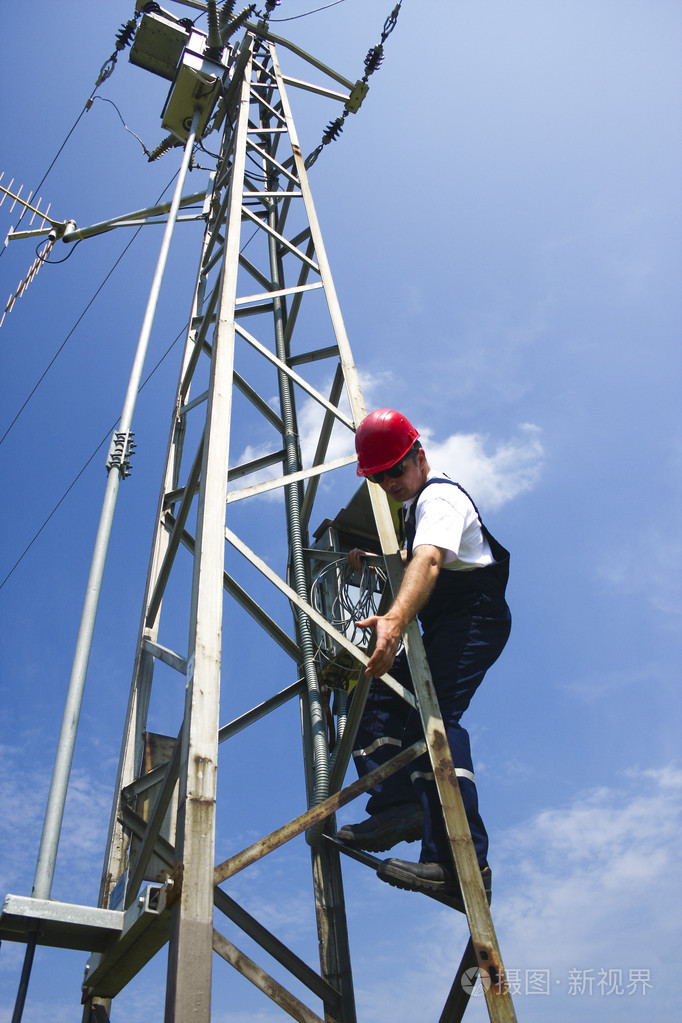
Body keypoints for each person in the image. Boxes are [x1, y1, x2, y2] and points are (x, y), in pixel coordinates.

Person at [337, 409, 511, 902]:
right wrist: (374, 562)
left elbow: (430, 560)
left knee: (433, 723)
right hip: (442, 621)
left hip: (473, 618)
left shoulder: (439, 498)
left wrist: (392, 620)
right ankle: (398, 807)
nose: (390, 481)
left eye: (396, 469)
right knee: (375, 704)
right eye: (378, 476)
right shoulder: (412, 508)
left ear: (420, 456)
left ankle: (462, 866)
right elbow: (418, 556)